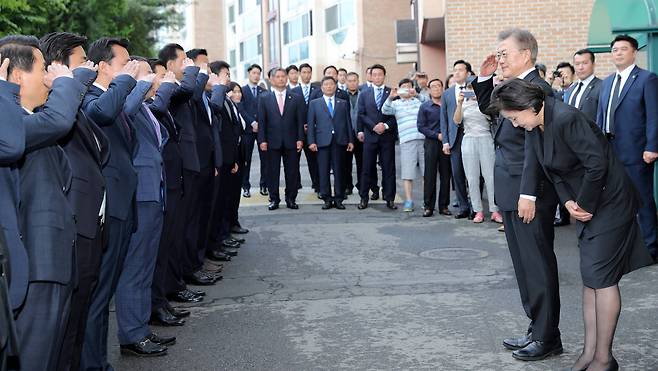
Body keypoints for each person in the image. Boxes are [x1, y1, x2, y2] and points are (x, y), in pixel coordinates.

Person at [490, 78, 653, 371]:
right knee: (590, 278)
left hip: (609, 204)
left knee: (601, 280)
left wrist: (586, 205)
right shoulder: (536, 125)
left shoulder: (566, 119)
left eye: (514, 118)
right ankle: (590, 353)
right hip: (583, 203)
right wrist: (567, 202)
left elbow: (597, 164)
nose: (514, 124)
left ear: (528, 106)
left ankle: (604, 359)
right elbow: (553, 172)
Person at [473, 28, 561, 362]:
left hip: (529, 192)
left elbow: (535, 149)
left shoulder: (538, 89)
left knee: (537, 264)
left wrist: (529, 193)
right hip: (512, 187)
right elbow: (493, 112)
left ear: (525, 54)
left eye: (504, 53)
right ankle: (536, 328)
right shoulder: (517, 87)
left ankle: (547, 336)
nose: (499, 59)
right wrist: (483, 80)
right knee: (524, 265)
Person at [1, 35, 85, 371]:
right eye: (43, 70)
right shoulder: (14, 125)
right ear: (18, 77)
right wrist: (67, 81)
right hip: (37, 264)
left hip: (56, 259)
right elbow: (59, 120)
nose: (49, 78)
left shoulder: (29, 119)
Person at [38, 31, 111, 371]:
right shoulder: (48, 110)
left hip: (91, 224)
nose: (91, 67)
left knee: (81, 312)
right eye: (83, 61)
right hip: (73, 227)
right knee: (67, 323)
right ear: (57, 67)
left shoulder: (76, 106)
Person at [80, 38, 142, 367]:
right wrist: (127, 82)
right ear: (104, 66)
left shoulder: (111, 96)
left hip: (122, 203)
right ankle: (93, 363)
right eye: (124, 62)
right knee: (98, 295)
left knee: (106, 294)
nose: (130, 67)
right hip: (109, 207)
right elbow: (101, 115)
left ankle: (99, 361)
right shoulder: (91, 97)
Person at [115, 57, 177, 353]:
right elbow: (125, 108)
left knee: (146, 267)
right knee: (135, 267)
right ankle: (130, 333)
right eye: (150, 74)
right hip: (141, 195)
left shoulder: (145, 108)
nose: (156, 78)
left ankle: (140, 328)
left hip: (155, 191)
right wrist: (138, 85)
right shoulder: (128, 105)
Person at [596, 34, 658, 260]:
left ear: (634, 52)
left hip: (636, 151)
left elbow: (654, 116)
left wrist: (652, 146)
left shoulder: (646, 79)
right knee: (616, 201)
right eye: (614, 50)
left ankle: (651, 248)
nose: (618, 53)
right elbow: (600, 118)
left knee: (642, 200)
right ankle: (625, 247)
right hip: (610, 151)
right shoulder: (608, 82)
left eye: (623, 49)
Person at [185, 48, 224, 285]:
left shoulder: (205, 97)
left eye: (207, 68)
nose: (207, 72)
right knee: (193, 220)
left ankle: (199, 260)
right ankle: (193, 264)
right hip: (194, 165)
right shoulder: (191, 95)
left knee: (203, 216)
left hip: (208, 162)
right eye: (202, 68)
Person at [554, 49, 603, 228]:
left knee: (592, 193)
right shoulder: (572, 89)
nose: (581, 67)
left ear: (593, 64)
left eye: (585, 63)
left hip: (590, 148)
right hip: (571, 151)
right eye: (578, 63)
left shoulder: (600, 86)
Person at [206, 62, 245, 256]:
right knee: (217, 203)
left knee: (224, 201)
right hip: (217, 160)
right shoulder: (215, 97)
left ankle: (222, 237)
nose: (228, 78)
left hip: (229, 157)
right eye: (225, 74)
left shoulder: (227, 99)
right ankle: (215, 243)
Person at [453, 80, 501, 223]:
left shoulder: (486, 104)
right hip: (469, 140)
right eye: (469, 88)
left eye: (475, 89)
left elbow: (494, 116)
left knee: (490, 177)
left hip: (485, 138)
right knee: (472, 178)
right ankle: (477, 210)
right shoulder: (464, 105)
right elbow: (456, 121)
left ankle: (495, 210)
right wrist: (460, 103)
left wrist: (484, 98)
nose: (472, 92)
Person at [257, 68, 305, 210]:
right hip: (272, 141)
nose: (281, 79)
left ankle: (291, 198)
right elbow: (262, 121)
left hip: (291, 141)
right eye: (277, 77)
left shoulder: (295, 97)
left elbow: (299, 121)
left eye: (283, 76)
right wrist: (262, 140)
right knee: (272, 172)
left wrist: (300, 139)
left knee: (292, 171)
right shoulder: (264, 98)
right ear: (271, 80)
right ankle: (274, 199)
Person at [307, 76, 355, 209]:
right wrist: (311, 141)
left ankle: (339, 198)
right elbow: (311, 124)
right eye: (326, 84)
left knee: (339, 170)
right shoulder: (315, 103)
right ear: (322, 88)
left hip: (339, 141)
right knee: (323, 171)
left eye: (331, 84)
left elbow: (348, 123)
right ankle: (326, 198)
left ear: (335, 86)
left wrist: (350, 140)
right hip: (322, 141)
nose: (329, 87)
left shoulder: (342, 103)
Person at [382, 78, 426, 212]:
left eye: (409, 87)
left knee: (426, 173)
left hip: (423, 139)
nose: (406, 89)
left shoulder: (418, 101)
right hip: (406, 141)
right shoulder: (396, 104)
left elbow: (429, 102)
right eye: (403, 87)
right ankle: (409, 200)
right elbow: (385, 110)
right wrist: (390, 97)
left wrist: (417, 94)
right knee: (408, 173)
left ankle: (427, 200)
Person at [357, 63, 397, 210]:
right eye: (375, 75)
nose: (378, 77)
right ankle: (364, 197)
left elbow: (395, 114)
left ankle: (389, 198)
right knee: (367, 167)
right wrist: (373, 126)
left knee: (388, 168)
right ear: (371, 76)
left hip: (387, 136)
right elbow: (361, 114)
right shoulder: (364, 93)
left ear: (384, 76)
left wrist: (385, 126)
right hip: (370, 136)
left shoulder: (392, 92)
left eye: (380, 74)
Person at [441, 60, 473, 219]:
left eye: (460, 70)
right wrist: (445, 141)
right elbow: (444, 119)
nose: (457, 73)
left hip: (472, 133)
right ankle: (463, 207)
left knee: (474, 173)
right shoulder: (447, 93)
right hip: (454, 138)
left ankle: (476, 206)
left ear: (468, 73)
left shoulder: (475, 89)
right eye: (455, 70)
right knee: (458, 173)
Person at [417, 78, 452, 217]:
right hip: (431, 143)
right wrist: (436, 135)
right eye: (433, 86)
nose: (436, 88)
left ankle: (444, 206)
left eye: (439, 86)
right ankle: (428, 206)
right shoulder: (425, 106)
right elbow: (420, 126)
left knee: (445, 175)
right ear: (429, 90)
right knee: (430, 175)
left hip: (446, 143)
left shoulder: (448, 105)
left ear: (442, 88)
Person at [290, 63, 320, 196]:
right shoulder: (293, 91)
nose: (306, 75)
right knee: (293, 160)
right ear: (299, 74)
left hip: (313, 131)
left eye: (309, 72)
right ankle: (295, 185)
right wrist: (301, 125)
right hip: (297, 132)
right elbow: (291, 113)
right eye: (304, 72)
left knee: (314, 160)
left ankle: (317, 185)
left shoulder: (318, 89)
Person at [241, 64, 267, 197]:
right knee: (246, 159)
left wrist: (260, 123)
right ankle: (245, 186)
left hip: (262, 130)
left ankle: (264, 185)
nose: (256, 76)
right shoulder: (242, 90)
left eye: (258, 73)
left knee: (265, 158)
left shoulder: (264, 92)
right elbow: (241, 108)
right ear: (249, 74)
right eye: (254, 73)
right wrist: (252, 122)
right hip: (248, 130)